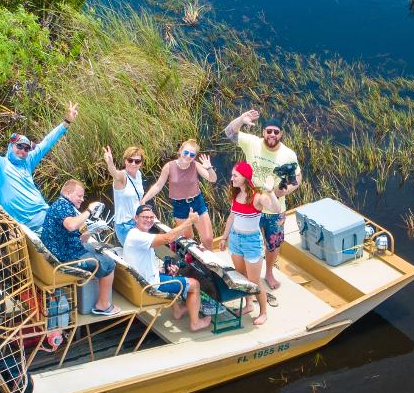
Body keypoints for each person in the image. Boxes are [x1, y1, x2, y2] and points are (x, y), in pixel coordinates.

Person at [0, 100, 78, 232]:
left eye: (26, 149)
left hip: (46, 213)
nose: (23, 151)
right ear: (10, 146)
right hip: (27, 225)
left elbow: (47, 142)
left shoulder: (27, 161)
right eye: (19, 146)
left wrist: (66, 122)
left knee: (75, 224)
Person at [224, 109, 301, 291]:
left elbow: (297, 179)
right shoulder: (252, 143)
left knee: (273, 243)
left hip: (274, 206)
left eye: (276, 131)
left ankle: (268, 273)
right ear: (263, 132)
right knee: (249, 240)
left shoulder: (288, 154)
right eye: (269, 131)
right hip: (251, 204)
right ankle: (250, 275)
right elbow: (229, 132)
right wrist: (241, 119)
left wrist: (282, 191)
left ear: (281, 133)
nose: (272, 134)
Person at [122, 204, 211, 331]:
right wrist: (190, 221)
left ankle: (178, 310)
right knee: (194, 284)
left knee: (171, 273)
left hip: (141, 281)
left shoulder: (133, 233)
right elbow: (168, 238)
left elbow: (142, 262)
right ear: (136, 218)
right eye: (144, 217)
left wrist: (162, 270)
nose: (148, 220)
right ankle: (195, 323)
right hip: (149, 286)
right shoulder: (140, 237)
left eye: (151, 217)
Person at [40, 180, 120, 316]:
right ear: (67, 193)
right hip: (65, 258)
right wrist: (89, 210)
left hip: (65, 250)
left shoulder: (64, 206)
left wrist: (92, 231)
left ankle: (98, 297)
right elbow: (71, 226)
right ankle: (103, 305)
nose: (82, 200)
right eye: (79, 196)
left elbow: (76, 236)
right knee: (109, 264)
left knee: (96, 249)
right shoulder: (61, 206)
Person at [214, 162, 274, 326]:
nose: (231, 178)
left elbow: (275, 208)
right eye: (232, 175)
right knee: (242, 277)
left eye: (235, 175)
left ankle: (263, 312)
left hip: (251, 242)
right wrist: (224, 237)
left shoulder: (257, 197)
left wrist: (270, 192)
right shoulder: (236, 194)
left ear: (245, 178)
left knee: (254, 282)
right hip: (235, 239)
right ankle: (248, 304)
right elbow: (232, 217)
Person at [141, 139, 217, 248]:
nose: (188, 157)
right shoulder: (169, 166)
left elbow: (212, 179)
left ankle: (210, 262)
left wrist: (209, 168)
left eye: (192, 155)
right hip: (180, 206)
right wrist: (144, 199)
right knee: (188, 239)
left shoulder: (195, 165)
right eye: (186, 153)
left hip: (197, 203)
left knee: (208, 239)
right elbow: (158, 185)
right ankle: (195, 262)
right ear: (180, 151)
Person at [102, 145, 148, 246]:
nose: (133, 164)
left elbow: (138, 199)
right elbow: (114, 173)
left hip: (138, 222)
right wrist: (110, 163)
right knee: (136, 255)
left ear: (141, 163)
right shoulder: (122, 177)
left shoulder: (138, 175)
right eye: (130, 160)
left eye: (137, 161)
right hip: (125, 225)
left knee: (143, 253)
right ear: (125, 161)